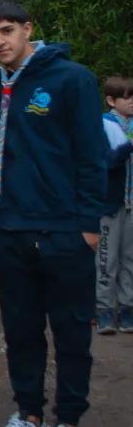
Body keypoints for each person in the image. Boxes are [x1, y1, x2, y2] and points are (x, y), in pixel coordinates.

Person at [0, 0, 107, 427]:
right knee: (21, 331)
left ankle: (68, 416)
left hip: (63, 231)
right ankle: (28, 411)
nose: (0, 41)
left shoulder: (73, 80)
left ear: (28, 29)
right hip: (11, 228)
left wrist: (89, 225)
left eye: (7, 31)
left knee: (70, 334)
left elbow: (92, 156)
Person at [97, 75, 133, 334]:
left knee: (130, 258)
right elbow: (105, 162)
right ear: (111, 100)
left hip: (131, 202)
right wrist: (127, 147)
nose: (132, 103)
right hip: (110, 204)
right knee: (107, 259)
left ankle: (127, 307)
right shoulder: (105, 124)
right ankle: (104, 310)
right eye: (127, 98)